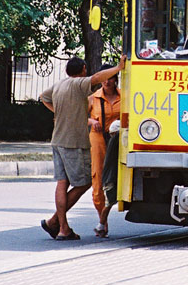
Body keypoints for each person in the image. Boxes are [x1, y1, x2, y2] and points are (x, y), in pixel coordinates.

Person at [40, 54, 125, 241]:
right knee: (85, 182)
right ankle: (59, 225)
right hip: (73, 143)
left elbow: (43, 97)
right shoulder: (79, 85)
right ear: (83, 70)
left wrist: (60, 112)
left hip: (57, 140)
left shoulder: (59, 85)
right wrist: (119, 67)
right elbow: (96, 79)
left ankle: (60, 226)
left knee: (62, 183)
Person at [88, 66, 121, 237]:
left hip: (118, 141)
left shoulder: (125, 96)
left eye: (110, 78)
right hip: (99, 139)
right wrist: (92, 122)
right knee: (99, 177)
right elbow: (79, 116)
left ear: (116, 78)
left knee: (116, 177)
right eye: (104, 78)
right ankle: (103, 220)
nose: (107, 81)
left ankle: (103, 220)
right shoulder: (93, 98)